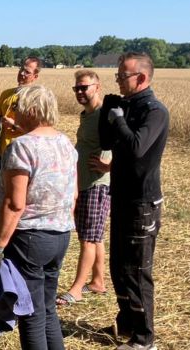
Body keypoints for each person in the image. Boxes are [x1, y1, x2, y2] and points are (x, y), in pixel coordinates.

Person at [0, 85, 77, 350]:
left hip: (29, 238)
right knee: (47, 309)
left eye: (18, 108)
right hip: (60, 234)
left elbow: (15, 204)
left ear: (32, 110)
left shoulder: (22, 146)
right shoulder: (66, 144)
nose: (14, 113)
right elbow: (73, 195)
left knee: (30, 314)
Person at [98, 52, 169, 350]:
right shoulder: (126, 106)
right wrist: (106, 114)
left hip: (142, 202)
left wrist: (118, 120)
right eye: (117, 75)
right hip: (122, 196)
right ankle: (127, 322)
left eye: (122, 75)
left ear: (141, 77)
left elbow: (137, 147)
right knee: (118, 267)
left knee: (137, 271)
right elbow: (106, 143)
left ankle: (144, 338)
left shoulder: (155, 111)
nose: (118, 80)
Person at [57, 70, 112, 306]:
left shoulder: (105, 115)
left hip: (97, 185)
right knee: (94, 237)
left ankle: (77, 289)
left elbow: (129, 144)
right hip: (84, 183)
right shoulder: (87, 114)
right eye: (76, 88)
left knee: (88, 239)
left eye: (84, 87)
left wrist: (110, 166)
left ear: (97, 87)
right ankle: (98, 281)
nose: (79, 92)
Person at [0, 56, 41, 227]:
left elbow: (40, 130)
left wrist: (15, 126)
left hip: (23, 158)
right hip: (2, 155)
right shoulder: (6, 95)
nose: (22, 74)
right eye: (21, 69)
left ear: (35, 76)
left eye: (27, 72)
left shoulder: (37, 98)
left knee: (18, 201)